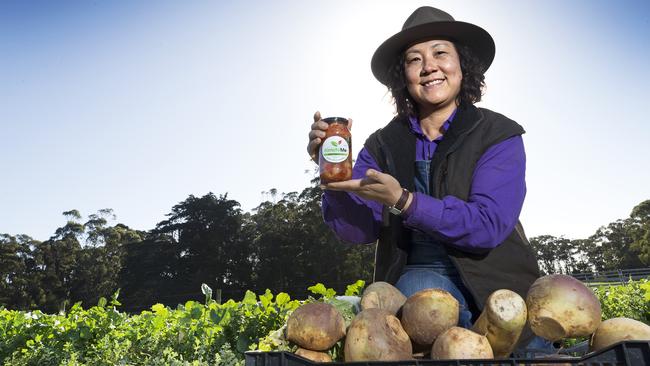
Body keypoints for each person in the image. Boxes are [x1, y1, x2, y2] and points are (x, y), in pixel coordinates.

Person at [307, 6, 550, 353]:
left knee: (522, 340)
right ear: (402, 75)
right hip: (417, 282)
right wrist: (333, 180)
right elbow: (357, 231)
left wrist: (405, 201)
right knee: (418, 288)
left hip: (498, 282)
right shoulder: (381, 146)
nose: (429, 67)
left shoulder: (499, 135)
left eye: (440, 53)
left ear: (463, 65)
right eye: (414, 59)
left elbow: (488, 225)